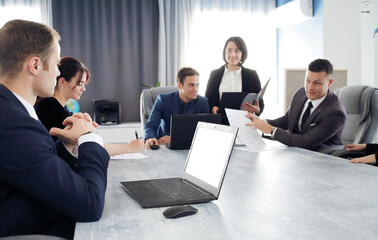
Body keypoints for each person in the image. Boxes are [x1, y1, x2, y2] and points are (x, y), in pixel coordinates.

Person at [0, 20, 109, 239]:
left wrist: (67, 146)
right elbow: (90, 204)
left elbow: (33, 168)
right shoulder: (12, 123)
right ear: (35, 65)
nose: (59, 72)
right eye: (57, 64)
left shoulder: (12, 111)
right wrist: (89, 138)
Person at [35, 57, 144, 156]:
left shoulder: (61, 108)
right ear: (62, 81)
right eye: (80, 83)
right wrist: (128, 147)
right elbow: (86, 147)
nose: (83, 89)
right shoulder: (49, 107)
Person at [246, 59, 347, 151]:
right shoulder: (301, 93)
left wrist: (271, 130)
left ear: (330, 82)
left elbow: (305, 142)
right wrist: (259, 122)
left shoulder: (335, 113)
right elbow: (286, 120)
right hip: (295, 153)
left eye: (317, 83)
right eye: (308, 81)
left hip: (320, 158)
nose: (310, 88)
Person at [144, 67, 209, 149]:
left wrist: (175, 139)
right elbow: (151, 125)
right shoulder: (163, 100)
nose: (195, 89)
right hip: (164, 147)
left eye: (197, 85)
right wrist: (149, 138)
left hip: (189, 147)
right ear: (179, 85)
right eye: (191, 85)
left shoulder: (203, 102)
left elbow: (204, 133)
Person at [205, 36, 264, 118]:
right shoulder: (215, 74)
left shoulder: (252, 75)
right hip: (221, 122)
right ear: (224, 52)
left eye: (237, 51)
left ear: (242, 53)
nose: (232, 55)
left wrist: (257, 110)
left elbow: (260, 104)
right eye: (229, 50)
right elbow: (208, 101)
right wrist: (212, 108)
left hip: (244, 121)